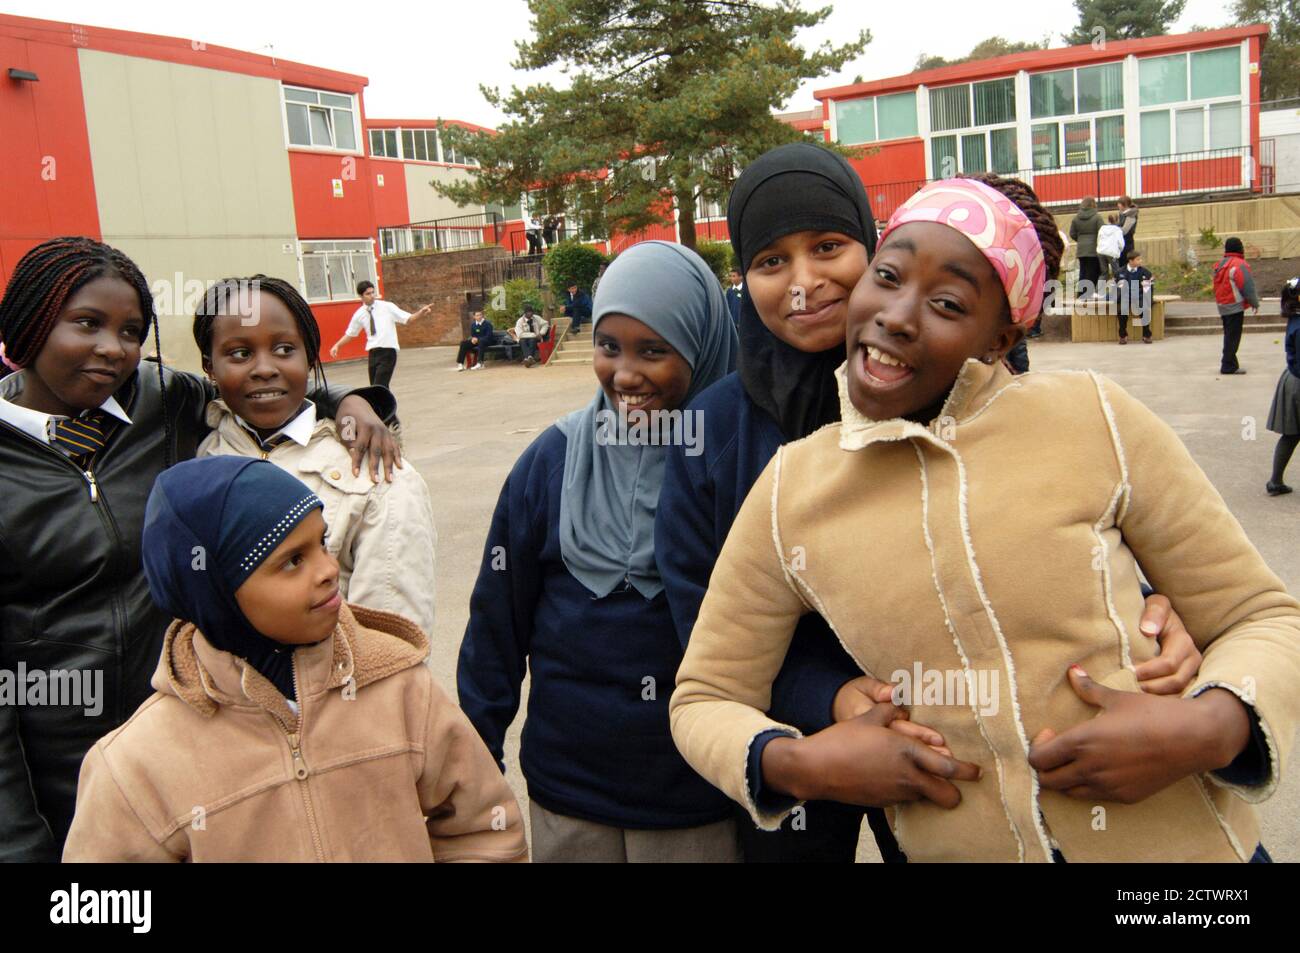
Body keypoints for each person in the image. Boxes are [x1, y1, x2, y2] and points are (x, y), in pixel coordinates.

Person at [670, 174, 1298, 863]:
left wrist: (1210, 724)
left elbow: (1264, 616)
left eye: (946, 301)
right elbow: (705, 695)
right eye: (888, 276)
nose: (899, 315)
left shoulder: (1094, 417)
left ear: (1000, 338)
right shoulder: (790, 486)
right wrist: (802, 763)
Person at [0, 237, 399, 862]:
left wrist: (352, 401)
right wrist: (17, 840)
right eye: (87, 324)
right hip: (56, 770)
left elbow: (261, 380)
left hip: (196, 734)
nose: (113, 348)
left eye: (131, 330)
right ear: (27, 323)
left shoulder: (163, 402)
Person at [63, 457, 526, 861]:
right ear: (216, 592)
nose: (328, 571)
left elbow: (485, 829)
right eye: (291, 561)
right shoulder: (138, 763)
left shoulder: (402, 689)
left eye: (321, 544)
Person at [458, 241, 740, 862]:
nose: (626, 375)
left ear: (703, 345)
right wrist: (475, 756)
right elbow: (496, 622)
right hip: (568, 794)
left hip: (696, 794)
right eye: (610, 347)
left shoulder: (732, 461)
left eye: (654, 351)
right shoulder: (551, 460)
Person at [192, 275, 437, 634]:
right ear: (209, 367)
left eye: (284, 349)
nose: (264, 368)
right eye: (240, 353)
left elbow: (390, 651)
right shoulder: (198, 456)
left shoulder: (378, 476)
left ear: (309, 357)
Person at [329, 280, 433, 388]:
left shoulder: (387, 307)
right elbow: (350, 334)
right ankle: (384, 405)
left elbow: (408, 319)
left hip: (388, 351)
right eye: (368, 294)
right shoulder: (359, 314)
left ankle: (384, 404)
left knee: (379, 386)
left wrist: (421, 313)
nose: (372, 296)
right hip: (373, 353)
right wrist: (337, 345)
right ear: (361, 296)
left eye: (373, 292)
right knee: (375, 387)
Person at [1266, 276, 1300, 496]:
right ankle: (1275, 481)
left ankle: (1275, 482)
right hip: (1299, 382)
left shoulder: (1295, 318)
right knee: (1292, 435)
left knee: (1292, 434)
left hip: (1293, 380)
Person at [1213, 237, 1260, 375]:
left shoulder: (1219, 264)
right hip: (1234, 306)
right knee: (1233, 337)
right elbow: (1247, 286)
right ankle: (1227, 365)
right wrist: (1254, 302)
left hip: (1222, 305)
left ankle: (1231, 363)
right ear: (1239, 248)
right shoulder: (1239, 264)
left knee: (1229, 335)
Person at [1117, 251, 1154, 345]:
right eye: (1138, 259)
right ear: (1131, 261)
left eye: (1140, 259)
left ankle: (1146, 335)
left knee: (1144, 308)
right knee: (1121, 311)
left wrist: (1148, 299)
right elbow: (1117, 288)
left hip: (1139, 296)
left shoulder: (1145, 272)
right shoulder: (1120, 272)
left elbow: (1148, 288)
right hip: (1125, 296)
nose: (1140, 261)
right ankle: (1123, 335)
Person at [1068, 196, 1102, 299]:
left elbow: (1072, 233)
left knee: (1083, 272)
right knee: (1093, 271)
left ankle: (1081, 294)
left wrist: (1081, 240)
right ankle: (1090, 294)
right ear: (1093, 204)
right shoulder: (1097, 217)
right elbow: (1102, 231)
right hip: (1093, 249)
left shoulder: (1076, 218)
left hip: (1081, 249)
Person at [1098, 214, 1125, 289]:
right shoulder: (1117, 230)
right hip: (1112, 252)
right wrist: (1119, 251)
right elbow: (1121, 243)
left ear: (1108, 220)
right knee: (1116, 271)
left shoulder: (1102, 228)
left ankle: (1098, 291)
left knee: (1104, 273)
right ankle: (1119, 289)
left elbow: (1099, 239)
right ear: (1117, 221)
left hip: (1101, 251)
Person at [1118, 195, 1140, 263]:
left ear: (1124, 205)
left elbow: (1125, 230)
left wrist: (1115, 230)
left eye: (1119, 204)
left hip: (1127, 242)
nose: (1118, 205)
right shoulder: (1122, 213)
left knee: (1126, 260)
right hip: (1122, 240)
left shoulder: (1131, 215)